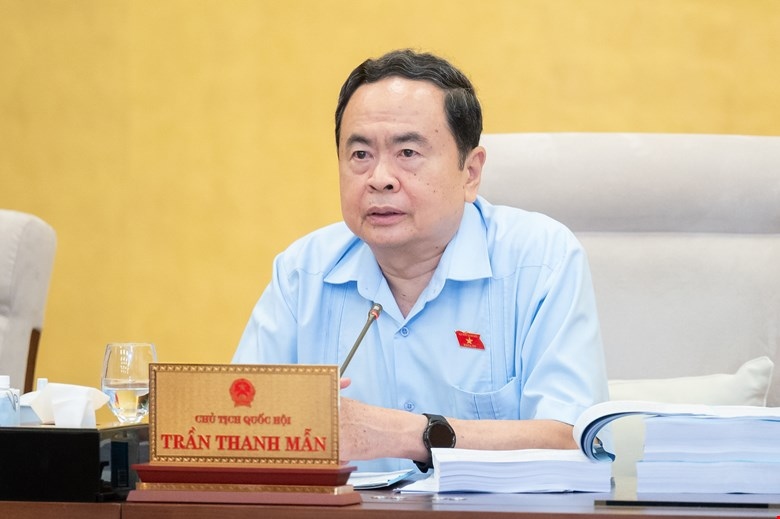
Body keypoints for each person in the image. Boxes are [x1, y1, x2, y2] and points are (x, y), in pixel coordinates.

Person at [233, 49, 609, 472]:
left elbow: (573, 441)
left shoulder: (539, 261)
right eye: (360, 155)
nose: (380, 179)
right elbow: (240, 429)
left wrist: (402, 434)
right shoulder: (302, 274)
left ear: (470, 172)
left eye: (408, 152)